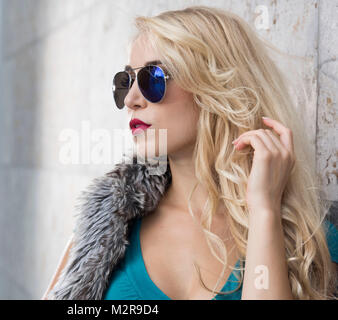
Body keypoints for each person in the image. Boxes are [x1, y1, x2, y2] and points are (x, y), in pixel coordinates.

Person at [43, 5, 338, 300]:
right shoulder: (105, 229)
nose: (131, 99)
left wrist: (264, 209)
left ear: (215, 86)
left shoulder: (309, 238)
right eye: (126, 81)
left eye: (153, 78)